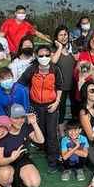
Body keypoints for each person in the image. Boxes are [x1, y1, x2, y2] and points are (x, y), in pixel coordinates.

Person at [19, 45, 63, 173]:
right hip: (35, 105)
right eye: (41, 55)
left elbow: (59, 87)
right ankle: (40, 150)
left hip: (51, 105)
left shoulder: (55, 69)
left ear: (51, 56)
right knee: (38, 130)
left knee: (51, 133)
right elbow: (21, 84)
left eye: (47, 55)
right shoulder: (32, 70)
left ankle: (53, 160)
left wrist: (56, 102)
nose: (44, 58)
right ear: (36, 56)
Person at [0, 105, 44, 187]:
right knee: (5, 176)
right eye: (16, 118)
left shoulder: (25, 127)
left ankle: (19, 177)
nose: (19, 121)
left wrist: (34, 123)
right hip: (6, 162)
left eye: (22, 117)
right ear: (9, 118)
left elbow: (40, 140)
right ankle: (8, 185)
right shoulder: (3, 132)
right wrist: (12, 158)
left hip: (21, 159)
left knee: (34, 183)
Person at [52, 25, 78, 130]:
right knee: (61, 109)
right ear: (56, 37)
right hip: (60, 86)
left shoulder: (73, 48)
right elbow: (53, 61)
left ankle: (75, 130)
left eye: (65, 34)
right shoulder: (54, 49)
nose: (63, 37)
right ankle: (62, 132)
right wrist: (59, 47)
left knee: (75, 108)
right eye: (61, 35)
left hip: (73, 84)